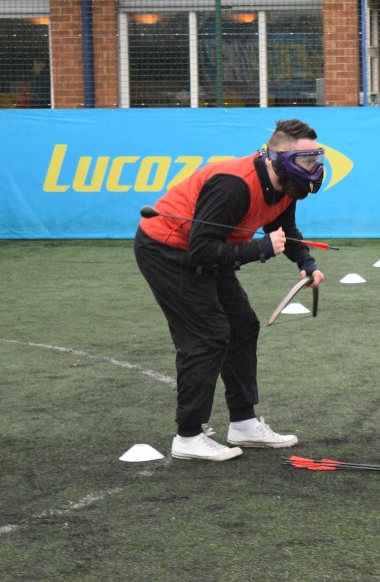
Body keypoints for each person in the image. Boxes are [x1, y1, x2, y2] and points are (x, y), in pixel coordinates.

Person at [134, 119, 327, 461]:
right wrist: (261, 249)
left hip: (211, 251)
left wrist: (306, 263)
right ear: (277, 157)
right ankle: (188, 436)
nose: (314, 168)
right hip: (167, 250)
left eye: (316, 158)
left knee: (242, 327)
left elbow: (284, 226)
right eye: (306, 160)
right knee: (207, 336)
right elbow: (201, 250)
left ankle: (243, 422)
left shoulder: (287, 186)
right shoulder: (233, 185)